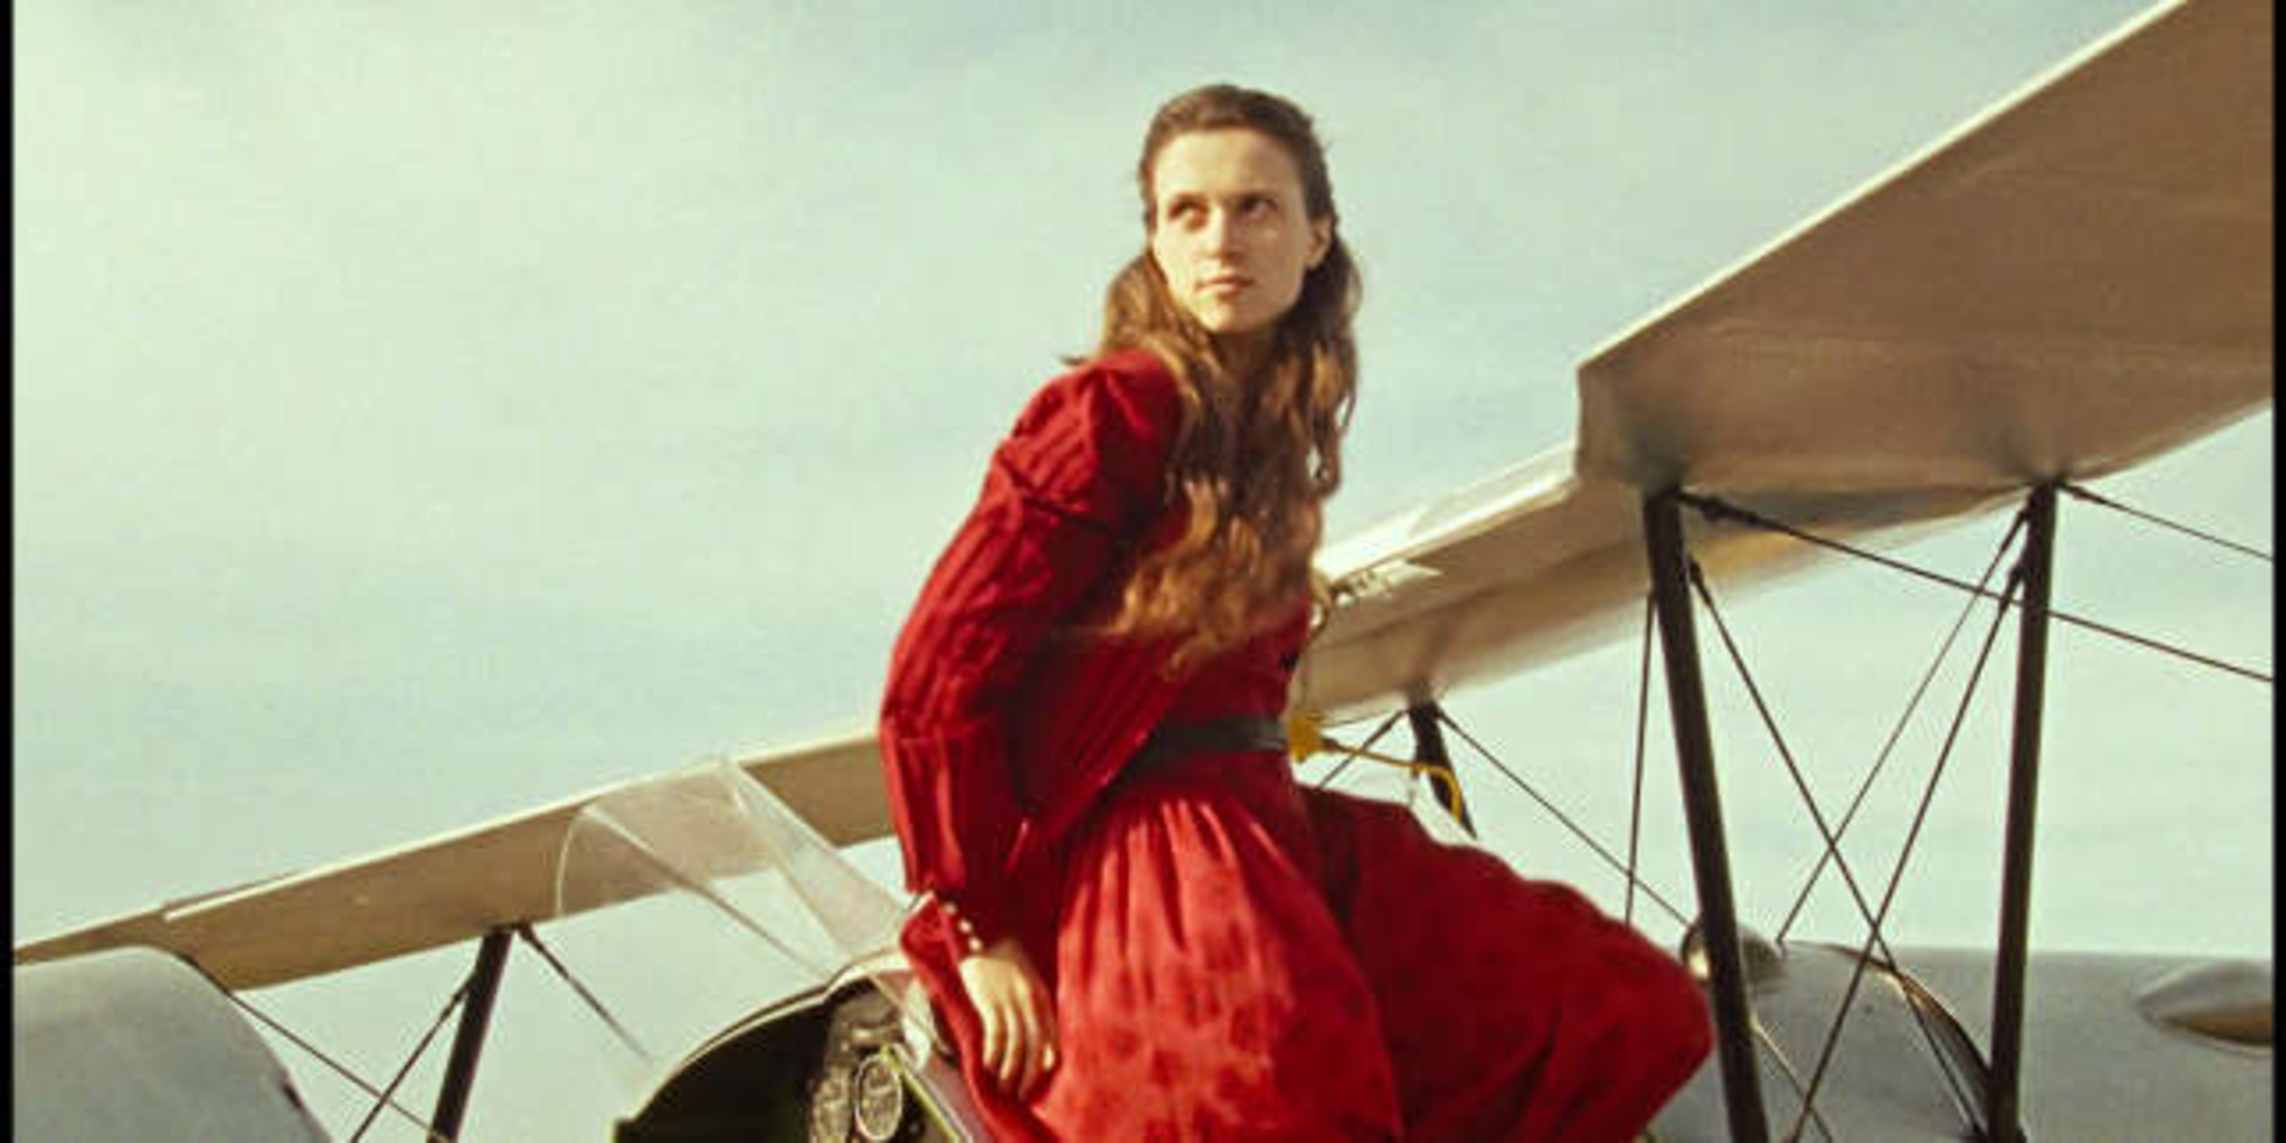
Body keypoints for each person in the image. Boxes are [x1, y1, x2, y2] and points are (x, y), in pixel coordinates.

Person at [879, 83, 1711, 1142]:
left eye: (1255, 208)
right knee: (1277, 1092)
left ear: (1317, 235)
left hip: (1268, 816)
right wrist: (980, 927)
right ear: (1154, 240)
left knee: (1605, 1003)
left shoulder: (1264, 430)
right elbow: (934, 675)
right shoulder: (1113, 413)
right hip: (1160, 853)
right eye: (1187, 213)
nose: (1221, 240)